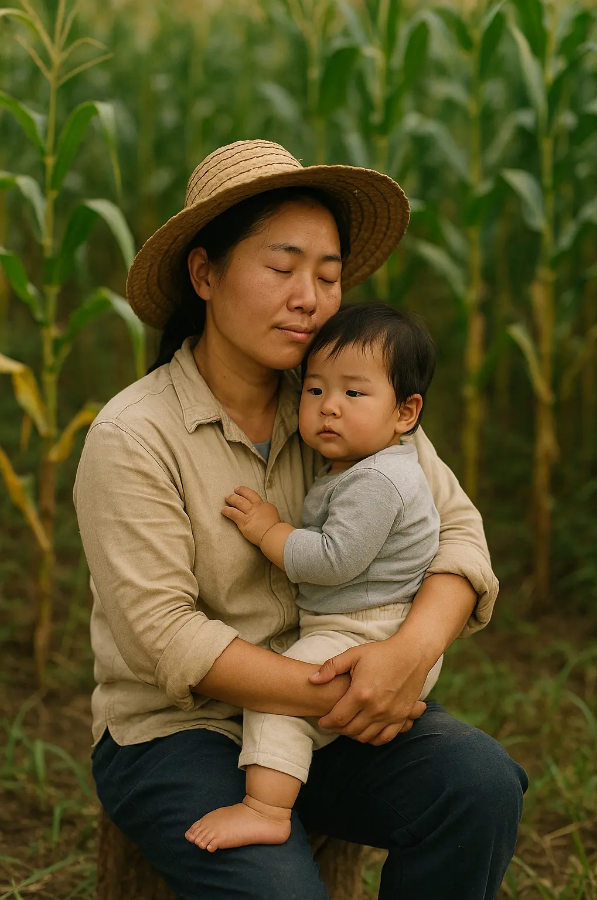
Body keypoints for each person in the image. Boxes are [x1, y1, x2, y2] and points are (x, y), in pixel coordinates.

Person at [74, 140, 527, 900]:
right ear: (206, 273)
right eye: (281, 269)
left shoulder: (344, 395)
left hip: (338, 717)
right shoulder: (134, 436)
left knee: (479, 788)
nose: (309, 298)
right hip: (185, 733)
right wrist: (339, 694)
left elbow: (457, 531)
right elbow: (166, 634)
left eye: (327, 276)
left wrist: (410, 653)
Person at [186, 302, 445, 851]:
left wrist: (267, 530)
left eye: (353, 394)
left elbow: (331, 560)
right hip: (363, 629)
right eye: (315, 390)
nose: (329, 408)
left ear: (406, 412)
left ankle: (265, 807)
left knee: (277, 697)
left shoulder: (379, 479)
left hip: (369, 636)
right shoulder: (363, 461)